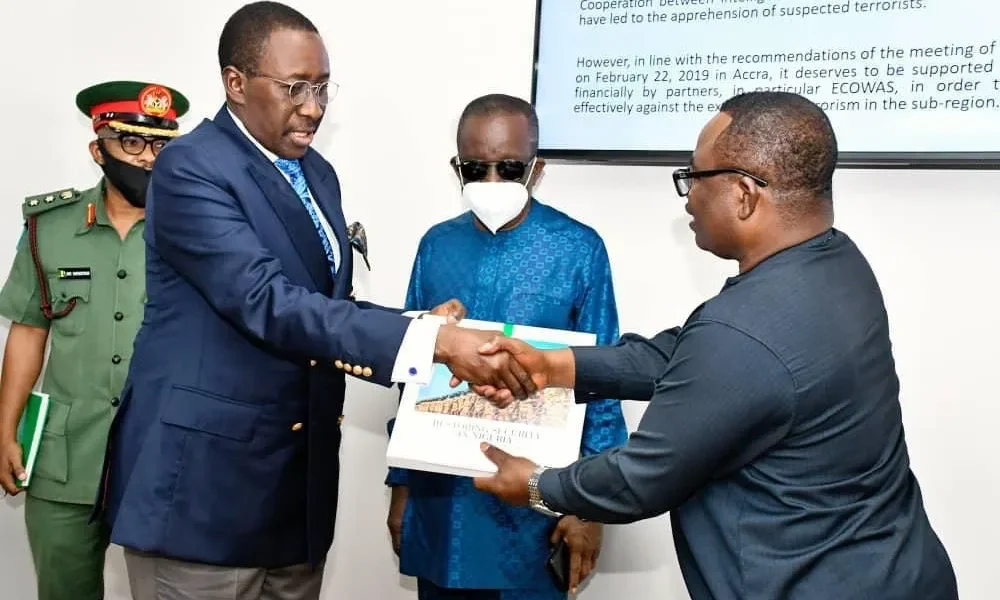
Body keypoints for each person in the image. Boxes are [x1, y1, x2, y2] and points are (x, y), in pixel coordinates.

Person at [92, 3, 532, 600]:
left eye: (322, 87)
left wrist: (418, 327)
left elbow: (323, 302)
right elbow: (266, 301)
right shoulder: (190, 167)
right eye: (295, 87)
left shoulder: (317, 173)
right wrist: (433, 343)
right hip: (203, 492)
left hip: (294, 494)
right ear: (235, 82)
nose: (313, 107)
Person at [466, 91, 959, 600]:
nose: (687, 197)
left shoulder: (743, 330)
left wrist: (536, 485)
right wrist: (555, 365)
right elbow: (689, 356)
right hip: (896, 567)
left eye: (695, 177)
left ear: (744, 195)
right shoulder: (835, 262)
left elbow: (641, 477)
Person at [384, 94, 629, 600]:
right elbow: (411, 373)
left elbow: (604, 381)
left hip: (535, 508)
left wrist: (590, 508)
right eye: (475, 168)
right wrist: (401, 484)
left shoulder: (578, 249)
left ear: (537, 169)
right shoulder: (436, 246)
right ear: (456, 167)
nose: (492, 181)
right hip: (442, 503)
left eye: (509, 168)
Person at [0, 80, 189, 600]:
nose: (148, 158)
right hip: (65, 459)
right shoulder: (50, 228)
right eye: (132, 142)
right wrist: (5, 430)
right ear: (98, 149)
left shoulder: (197, 229)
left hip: (164, 458)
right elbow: (29, 330)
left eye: (161, 145)